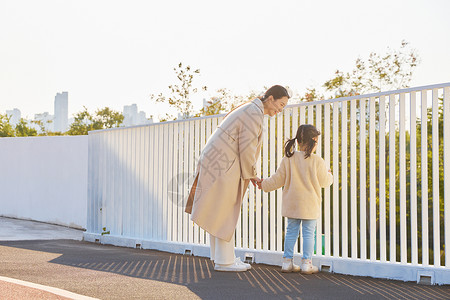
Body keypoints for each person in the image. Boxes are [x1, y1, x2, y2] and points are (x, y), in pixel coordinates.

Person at [185, 85, 291, 272]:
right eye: (280, 104)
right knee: (226, 211)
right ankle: (225, 261)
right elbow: (247, 147)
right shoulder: (253, 113)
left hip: (217, 162)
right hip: (224, 165)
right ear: (271, 98)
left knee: (220, 210)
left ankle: (222, 257)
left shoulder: (251, 108)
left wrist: (249, 172)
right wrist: (252, 174)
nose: (280, 109)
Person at [257, 124, 333, 274]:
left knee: (291, 231)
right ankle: (306, 263)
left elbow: (277, 179)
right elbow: (325, 182)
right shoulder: (317, 160)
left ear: (298, 142)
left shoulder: (288, 159)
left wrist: (263, 184)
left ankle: (287, 262)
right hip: (309, 205)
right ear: (314, 141)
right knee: (308, 233)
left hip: (292, 204)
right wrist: (330, 174)